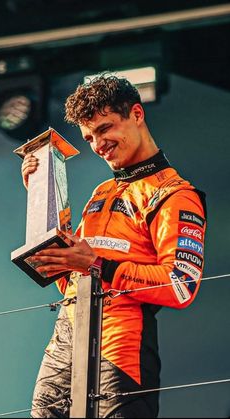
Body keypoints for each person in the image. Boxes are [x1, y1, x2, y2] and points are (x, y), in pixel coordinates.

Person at [21, 73, 207, 418]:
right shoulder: (101, 193)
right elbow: (71, 278)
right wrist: (38, 199)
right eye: (89, 137)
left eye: (105, 129)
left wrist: (95, 264)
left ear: (137, 114)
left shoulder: (175, 195)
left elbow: (181, 286)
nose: (97, 144)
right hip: (64, 340)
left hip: (120, 350)